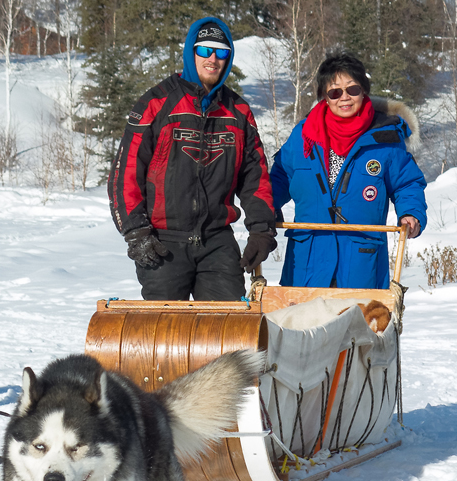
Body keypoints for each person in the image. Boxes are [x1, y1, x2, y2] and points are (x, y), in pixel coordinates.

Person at [108, 17, 277, 301]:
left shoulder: (238, 111)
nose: (213, 58)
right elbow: (125, 174)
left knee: (225, 331)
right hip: (164, 241)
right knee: (165, 334)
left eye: (221, 52)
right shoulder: (156, 103)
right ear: (191, 52)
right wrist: (136, 232)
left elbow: (255, 177)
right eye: (205, 50)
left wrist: (262, 231)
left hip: (217, 241)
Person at [269, 51, 427, 290]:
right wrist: (266, 205)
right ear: (325, 96)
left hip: (360, 264)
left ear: (364, 91)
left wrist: (411, 214)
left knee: (358, 326)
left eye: (352, 89)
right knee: (304, 326)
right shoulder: (303, 135)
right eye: (335, 91)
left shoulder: (384, 137)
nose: (344, 97)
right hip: (307, 263)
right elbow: (280, 176)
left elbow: (407, 183)